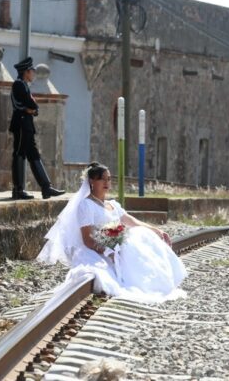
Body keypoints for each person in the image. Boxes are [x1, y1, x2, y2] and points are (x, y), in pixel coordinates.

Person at [37, 162, 187, 303]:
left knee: (142, 234)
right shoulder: (86, 205)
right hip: (99, 248)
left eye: (108, 179)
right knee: (129, 245)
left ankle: (156, 282)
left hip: (117, 242)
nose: (107, 183)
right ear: (91, 182)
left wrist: (156, 230)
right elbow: (88, 239)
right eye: (102, 179)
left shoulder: (112, 205)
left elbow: (132, 222)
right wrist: (107, 251)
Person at [10, 58, 65, 200]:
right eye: (32, 71)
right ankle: (18, 189)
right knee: (19, 154)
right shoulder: (18, 84)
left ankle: (46, 187)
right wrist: (31, 108)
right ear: (26, 72)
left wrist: (32, 108)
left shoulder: (24, 85)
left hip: (26, 124)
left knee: (33, 154)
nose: (33, 73)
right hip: (21, 123)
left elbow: (33, 107)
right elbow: (25, 104)